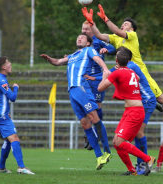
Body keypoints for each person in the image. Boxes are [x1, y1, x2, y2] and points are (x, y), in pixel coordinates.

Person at [82, 5, 163, 117]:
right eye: (122, 23)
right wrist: (91, 23)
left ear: (131, 29)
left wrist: (105, 18)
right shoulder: (116, 38)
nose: (123, 25)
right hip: (126, 72)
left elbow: (117, 31)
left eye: (126, 24)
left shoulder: (132, 35)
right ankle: (150, 99)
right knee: (129, 95)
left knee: (162, 99)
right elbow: (98, 35)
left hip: (140, 71)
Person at [40, 33, 112, 170]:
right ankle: (99, 156)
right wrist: (49, 59)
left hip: (82, 87)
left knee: (94, 118)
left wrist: (105, 69)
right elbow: (57, 62)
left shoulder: (89, 50)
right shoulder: (72, 55)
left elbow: (98, 59)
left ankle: (107, 151)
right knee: (85, 124)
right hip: (72, 91)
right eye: (78, 37)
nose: (79, 38)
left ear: (88, 43)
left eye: (82, 38)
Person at [98, 47, 156, 176]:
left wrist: (104, 76)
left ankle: (148, 159)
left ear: (116, 60)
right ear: (128, 61)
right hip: (132, 110)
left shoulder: (117, 72)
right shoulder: (132, 72)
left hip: (134, 111)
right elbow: (138, 80)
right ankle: (132, 170)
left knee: (120, 142)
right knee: (116, 142)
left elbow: (100, 88)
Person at [0, 56, 34, 174]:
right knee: (14, 138)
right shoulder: (2, 80)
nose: (10, 64)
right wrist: (16, 88)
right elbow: (12, 98)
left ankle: (1, 167)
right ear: (4, 67)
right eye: (8, 63)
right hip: (0, 116)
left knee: (9, 140)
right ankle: (22, 167)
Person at [81, 21, 116, 150]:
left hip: (96, 79)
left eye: (86, 29)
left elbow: (113, 48)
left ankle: (96, 134)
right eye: (83, 29)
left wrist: (106, 50)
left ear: (92, 30)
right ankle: (89, 133)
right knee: (85, 108)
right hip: (84, 79)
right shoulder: (82, 42)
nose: (84, 31)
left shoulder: (98, 40)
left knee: (96, 106)